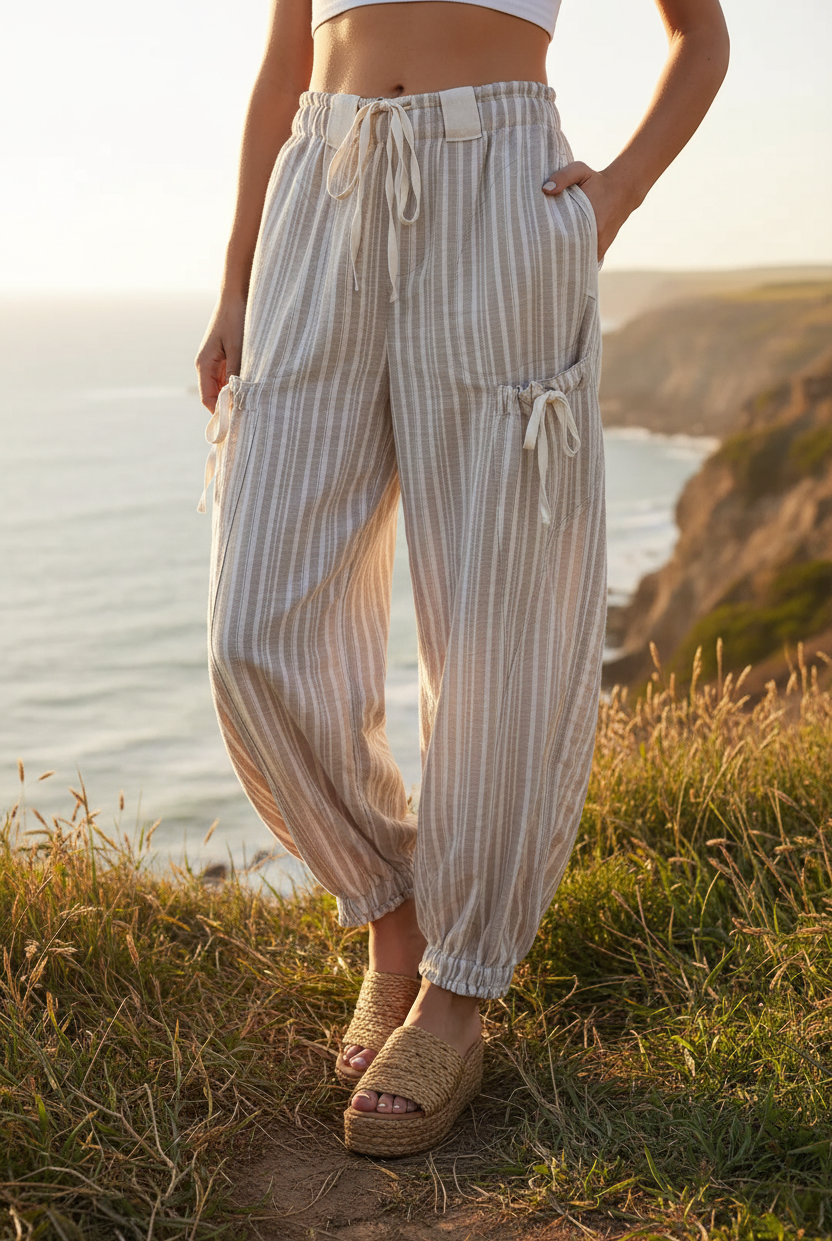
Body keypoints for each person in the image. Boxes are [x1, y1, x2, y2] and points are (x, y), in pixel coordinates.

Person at [195, 0, 728, 1156]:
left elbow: (701, 33)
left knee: (500, 626)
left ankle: (459, 990)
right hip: (318, 192)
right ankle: (393, 913)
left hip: (502, 194)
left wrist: (618, 192)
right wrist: (239, 278)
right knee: (251, 630)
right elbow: (287, 55)